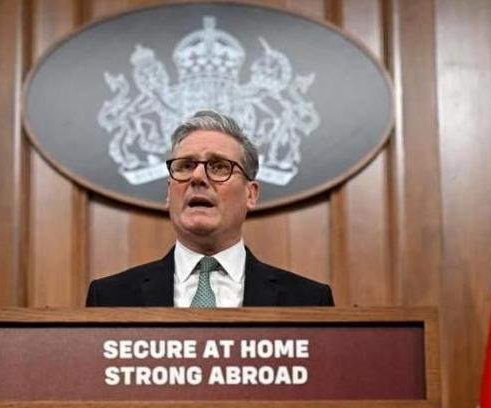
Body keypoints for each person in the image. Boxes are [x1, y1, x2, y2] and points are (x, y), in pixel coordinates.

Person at [86, 110, 333, 307]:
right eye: (185, 165)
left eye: (218, 167)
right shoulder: (110, 298)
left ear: (251, 194)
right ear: (168, 192)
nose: (197, 177)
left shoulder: (308, 301)